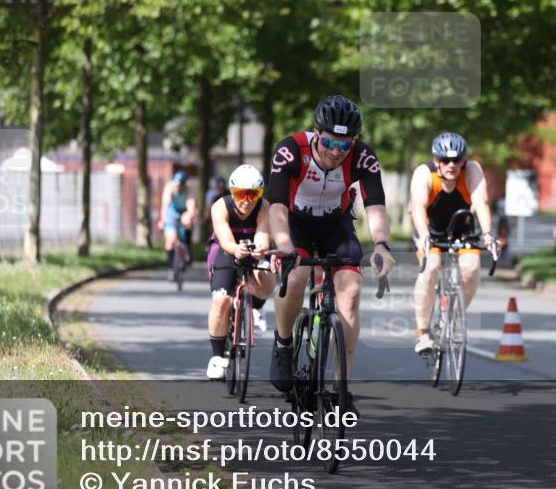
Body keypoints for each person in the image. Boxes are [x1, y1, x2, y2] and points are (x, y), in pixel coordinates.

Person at [266, 95, 396, 414]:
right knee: (295, 278)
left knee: (350, 292)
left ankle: (341, 387)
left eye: (344, 145)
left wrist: (382, 245)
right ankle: (284, 342)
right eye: (328, 142)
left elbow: (376, 207)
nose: (335, 152)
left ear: (354, 142)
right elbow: (278, 206)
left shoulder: (363, 158)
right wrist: (283, 244)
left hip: (335, 225)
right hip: (295, 223)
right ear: (315, 133)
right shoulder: (290, 151)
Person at [409, 133, 502, 355]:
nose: (451, 165)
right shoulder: (424, 174)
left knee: (471, 268)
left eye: (457, 160)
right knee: (430, 268)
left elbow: (481, 202)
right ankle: (423, 333)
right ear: (436, 159)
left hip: (462, 226)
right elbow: (418, 207)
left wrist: (488, 235)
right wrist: (423, 235)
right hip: (429, 228)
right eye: (444, 160)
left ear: (463, 160)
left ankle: (452, 314)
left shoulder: (472, 171)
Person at [204, 165, 276, 379]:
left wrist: (260, 249)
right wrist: (237, 249)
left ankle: (257, 307)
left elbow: (263, 235)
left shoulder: (264, 207)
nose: (247, 200)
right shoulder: (220, 207)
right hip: (226, 250)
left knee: (267, 272)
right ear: (232, 193)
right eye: (241, 194)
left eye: (253, 194)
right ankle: (217, 357)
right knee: (221, 301)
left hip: (252, 248)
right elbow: (226, 239)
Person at [158, 171, 197, 276]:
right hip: (172, 211)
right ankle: (171, 267)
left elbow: (191, 206)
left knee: (188, 223)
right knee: (170, 241)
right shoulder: (169, 188)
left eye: (180, 185)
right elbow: (165, 205)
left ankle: (186, 251)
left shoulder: (189, 189)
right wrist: (162, 220)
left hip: (184, 211)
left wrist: (189, 216)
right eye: (177, 185)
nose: (178, 187)